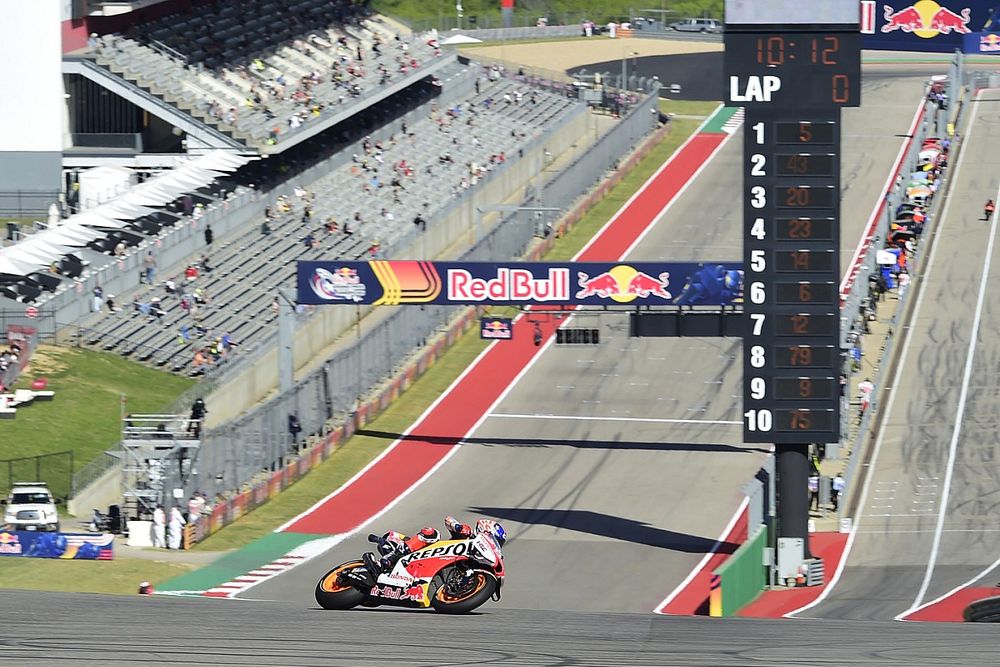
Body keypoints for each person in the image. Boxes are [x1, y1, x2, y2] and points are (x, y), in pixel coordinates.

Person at [363, 517, 507, 575]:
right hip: (423, 552)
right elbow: (448, 519)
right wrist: (457, 527)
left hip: (428, 568)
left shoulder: (476, 558)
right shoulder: (466, 533)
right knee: (432, 533)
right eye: (495, 540)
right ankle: (386, 561)